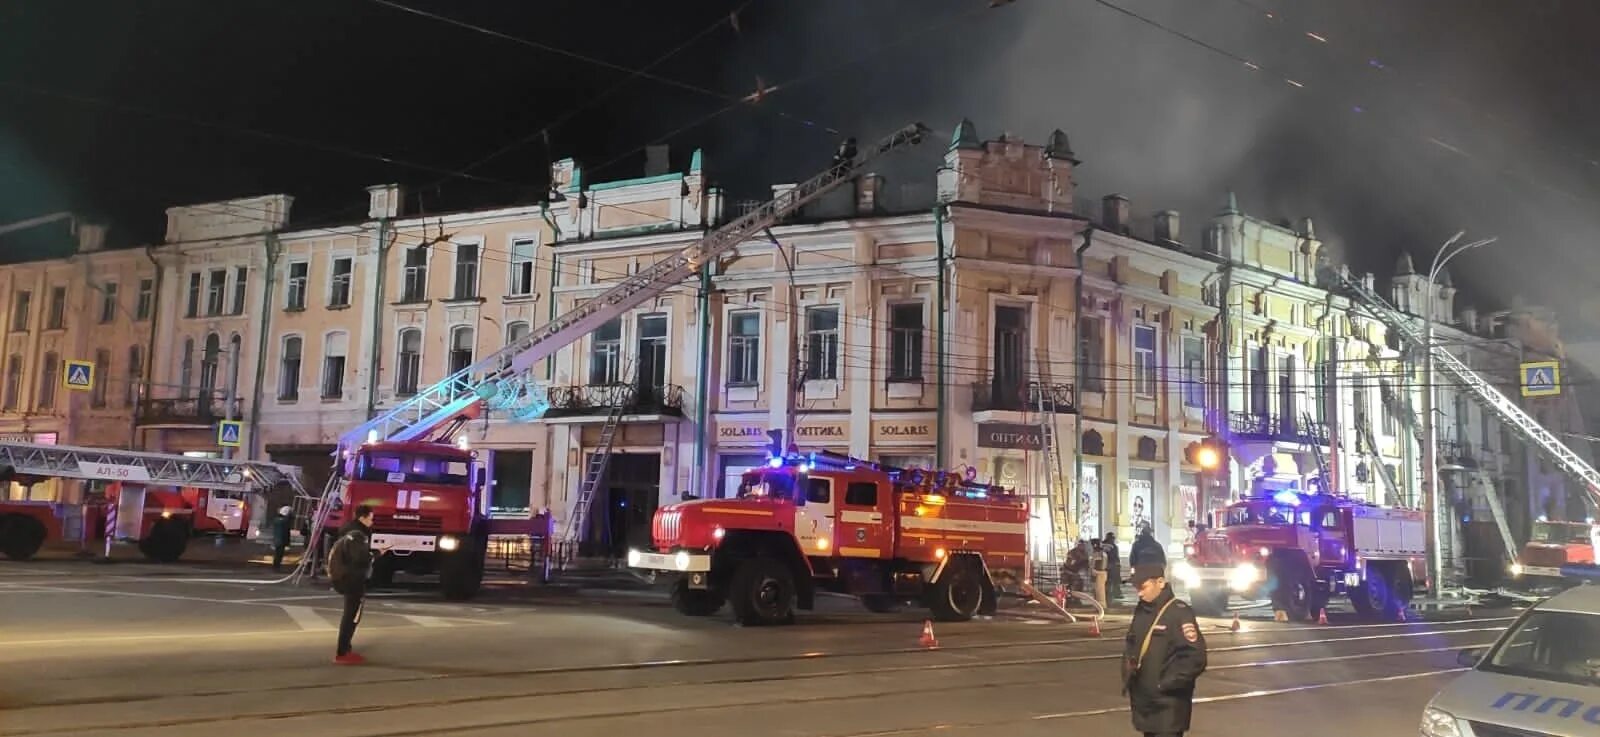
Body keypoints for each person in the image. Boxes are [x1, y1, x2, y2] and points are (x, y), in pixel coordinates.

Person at [1122, 564, 1207, 737]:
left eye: (1143, 587)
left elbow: (1195, 657)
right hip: (1145, 704)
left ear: (1160, 582)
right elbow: (1133, 647)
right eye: (1136, 588)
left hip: (1168, 705)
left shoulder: (1179, 612)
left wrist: (1166, 684)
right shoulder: (1142, 610)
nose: (1139, 593)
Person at [327, 502, 385, 665]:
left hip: (345, 577)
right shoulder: (357, 535)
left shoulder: (348, 531)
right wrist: (376, 554)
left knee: (351, 614)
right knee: (351, 616)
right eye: (370, 519)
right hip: (352, 579)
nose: (372, 522)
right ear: (363, 518)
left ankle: (345, 648)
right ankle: (343, 651)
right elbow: (360, 558)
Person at [270, 505, 293, 572]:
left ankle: (275, 567)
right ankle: (276, 567)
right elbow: (286, 533)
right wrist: (287, 542)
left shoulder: (276, 520)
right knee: (279, 555)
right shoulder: (285, 522)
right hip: (281, 541)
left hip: (276, 540)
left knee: (277, 554)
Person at [1103, 532, 1122, 602]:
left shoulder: (1101, 545)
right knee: (1115, 576)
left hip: (1102, 567)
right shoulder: (1114, 546)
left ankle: (1108, 592)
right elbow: (1115, 558)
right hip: (1110, 566)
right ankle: (1117, 592)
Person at [1090, 540, 1109, 605]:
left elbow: (1099, 565)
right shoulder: (1102, 553)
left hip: (1099, 573)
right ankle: (1098, 605)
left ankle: (1101, 606)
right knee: (1097, 591)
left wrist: (1094, 570)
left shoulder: (1099, 554)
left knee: (1100, 592)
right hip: (1099, 573)